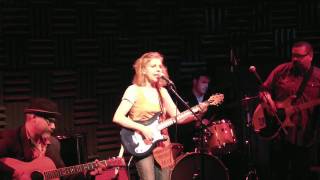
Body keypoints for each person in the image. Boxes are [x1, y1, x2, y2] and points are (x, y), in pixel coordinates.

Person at [112, 52, 209, 180]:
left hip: (162, 144)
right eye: (153, 66)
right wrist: (143, 129)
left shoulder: (162, 91)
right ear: (144, 70)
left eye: (160, 66)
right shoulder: (133, 90)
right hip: (142, 142)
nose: (158, 69)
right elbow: (118, 117)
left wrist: (199, 111)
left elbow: (178, 117)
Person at [258, 41, 320, 180]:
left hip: (304, 136)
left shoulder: (318, 76)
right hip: (279, 133)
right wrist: (268, 100)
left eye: (299, 56)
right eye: (293, 55)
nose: (295, 59)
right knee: (278, 173)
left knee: (301, 174)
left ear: (310, 56)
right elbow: (264, 90)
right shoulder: (281, 70)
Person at [0, 98, 104, 179]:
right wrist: (15, 173)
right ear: (33, 118)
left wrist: (88, 173)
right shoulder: (10, 139)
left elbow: (62, 175)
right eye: (49, 121)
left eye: (54, 122)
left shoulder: (53, 144)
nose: (53, 126)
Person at [176, 72, 213, 152]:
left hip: (208, 143)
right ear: (195, 82)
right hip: (186, 143)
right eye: (203, 82)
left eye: (207, 83)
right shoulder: (183, 99)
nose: (206, 85)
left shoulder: (211, 99)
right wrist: (196, 122)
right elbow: (179, 123)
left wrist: (208, 122)